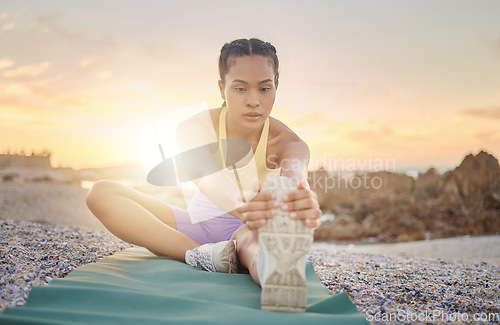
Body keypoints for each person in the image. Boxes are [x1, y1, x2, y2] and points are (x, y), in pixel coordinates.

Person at [86, 38, 321, 312]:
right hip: (196, 226)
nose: (254, 101)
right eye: (240, 88)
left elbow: (295, 172)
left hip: (244, 230)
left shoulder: (288, 143)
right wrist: (245, 205)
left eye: (264, 88)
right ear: (222, 88)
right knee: (101, 192)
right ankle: (196, 255)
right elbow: (206, 179)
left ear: (276, 88)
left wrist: (294, 197)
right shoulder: (194, 128)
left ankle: (279, 281)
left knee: (254, 245)